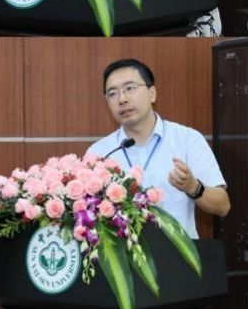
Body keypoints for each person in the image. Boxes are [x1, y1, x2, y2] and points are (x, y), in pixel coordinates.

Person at [86, 58, 229, 239]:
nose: (122, 99)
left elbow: (223, 206)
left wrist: (193, 187)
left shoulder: (187, 140)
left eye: (130, 88)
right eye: (113, 93)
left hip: (177, 253)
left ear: (152, 93)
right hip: (123, 254)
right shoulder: (99, 153)